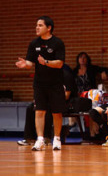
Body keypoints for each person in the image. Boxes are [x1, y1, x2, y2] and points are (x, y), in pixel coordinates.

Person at [15, 16, 66, 151]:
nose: (37, 27)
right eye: (36, 25)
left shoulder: (58, 43)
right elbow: (30, 63)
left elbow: (60, 63)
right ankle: (40, 140)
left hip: (55, 83)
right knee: (39, 111)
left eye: (40, 25)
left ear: (49, 28)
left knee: (56, 113)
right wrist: (24, 64)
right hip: (39, 83)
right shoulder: (33, 44)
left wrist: (46, 62)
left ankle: (57, 139)